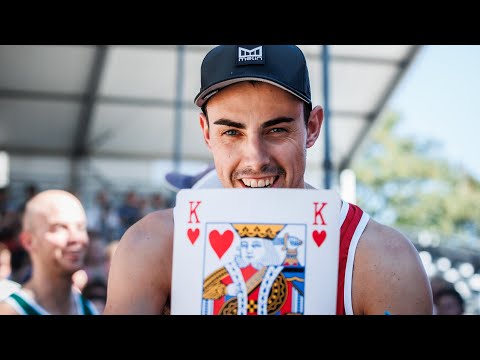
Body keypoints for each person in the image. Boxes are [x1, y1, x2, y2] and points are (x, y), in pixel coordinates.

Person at [104, 45, 433, 315]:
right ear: (207, 134)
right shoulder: (153, 246)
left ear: (313, 127)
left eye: (277, 130)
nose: (255, 159)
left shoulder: (383, 260)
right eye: (231, 132)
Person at [0, 189, 99, 315]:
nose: (76, 238)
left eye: (81, 228)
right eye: (59, 228)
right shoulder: (11, 311)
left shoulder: (89, 309)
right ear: (29, 241)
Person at [202, 224, 305, 315]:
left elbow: (296, 298)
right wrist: (226, 290)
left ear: (267, 249)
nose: (249, 250)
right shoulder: (229, 270)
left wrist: (292, 251)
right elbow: (204, 292)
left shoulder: (277, 273)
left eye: (255, 245)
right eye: (244, 245)